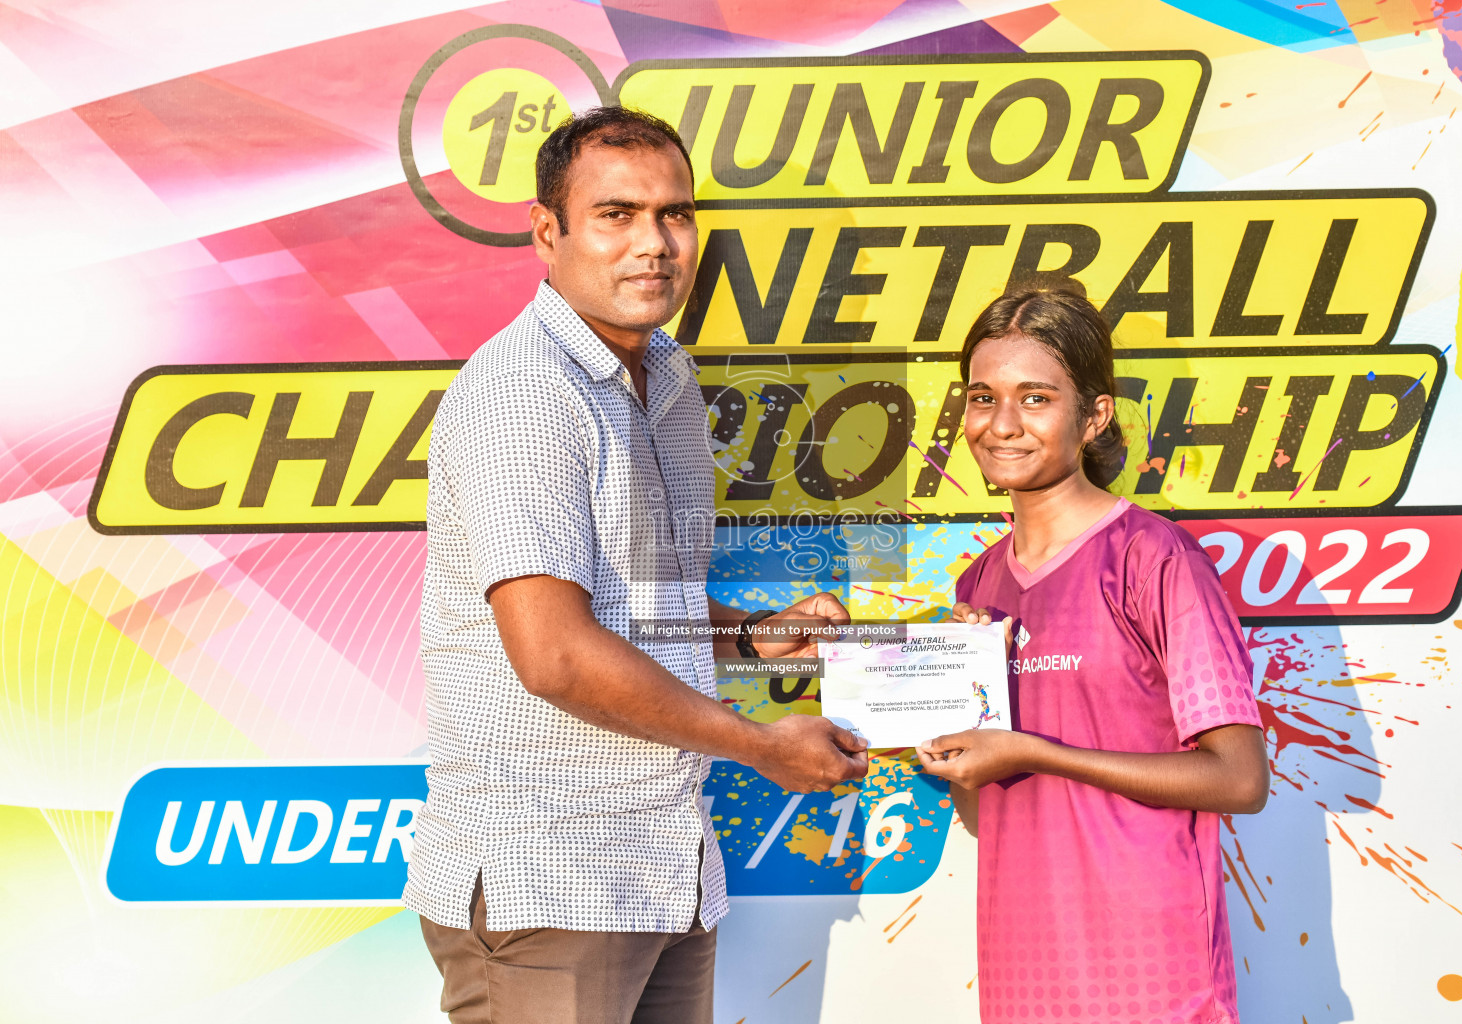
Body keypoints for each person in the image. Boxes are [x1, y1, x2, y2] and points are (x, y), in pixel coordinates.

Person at [404, 106, 869, 1024]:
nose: (653, 244)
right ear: (549, 233)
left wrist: (751, 637)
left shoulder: (669, 380)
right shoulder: (524, 395)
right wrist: (763, 747)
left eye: (674, 214)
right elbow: (556, 654)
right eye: (617, 214)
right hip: (551, 879)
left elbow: (634, 603)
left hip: (662, 867)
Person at [916, 280, 1269, 1024]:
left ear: (1094, 414)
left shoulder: (1154, 558)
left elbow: (1239, 780)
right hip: (1024, 979)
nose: (1002, 424)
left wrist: (1034, 750)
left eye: (1035, 398)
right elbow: (989, 816)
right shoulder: (976, 586)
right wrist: (948, 729)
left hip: (1153, 982)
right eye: (983, 398)